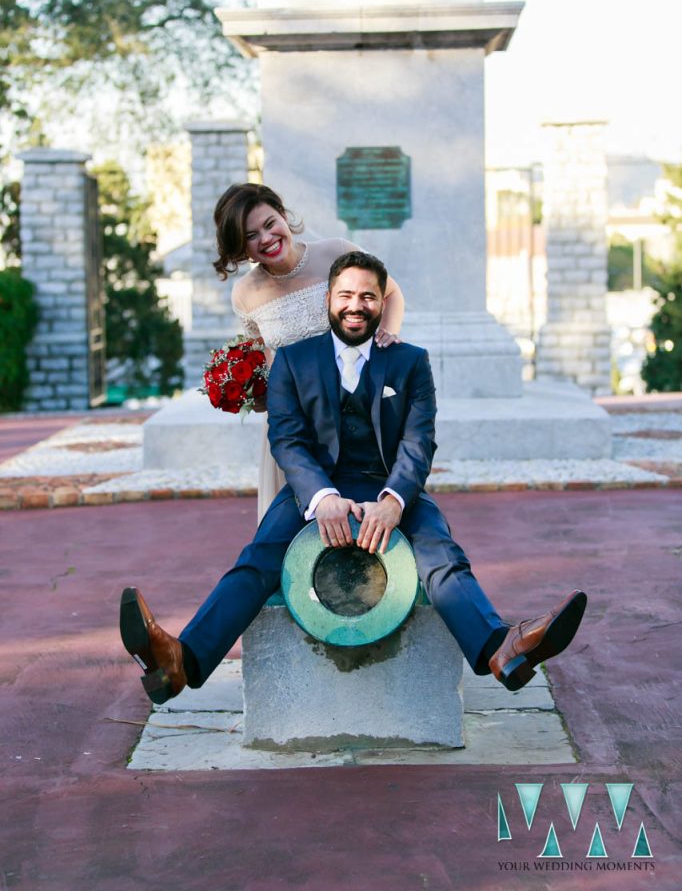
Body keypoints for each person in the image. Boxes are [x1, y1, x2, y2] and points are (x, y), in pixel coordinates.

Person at [120, 251, 587, 704]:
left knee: (442, 556)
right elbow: (286, 439)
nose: (355, 305)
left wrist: (394, 500)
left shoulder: (410, 361)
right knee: (259, 558)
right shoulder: (293, 360)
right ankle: (180, 660)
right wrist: (321, 496)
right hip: (317, 488)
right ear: (329, 298)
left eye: (368, 296)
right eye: (346, 294)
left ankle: (502, 649)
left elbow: (418, 442)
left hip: (391, 485)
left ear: (383, 303)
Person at [213, 183, 405, 520]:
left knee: (369, 522)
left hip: (356, 414)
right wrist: (253, 395)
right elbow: (265, 364)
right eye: (251, 235)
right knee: (299, 531)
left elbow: (391, 293)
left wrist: (384, 342)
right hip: (296, 429)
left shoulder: (337, 252)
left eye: (270, 223)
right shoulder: (245, 294)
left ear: (284, 216)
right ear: (241, 247)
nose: (267, 238)